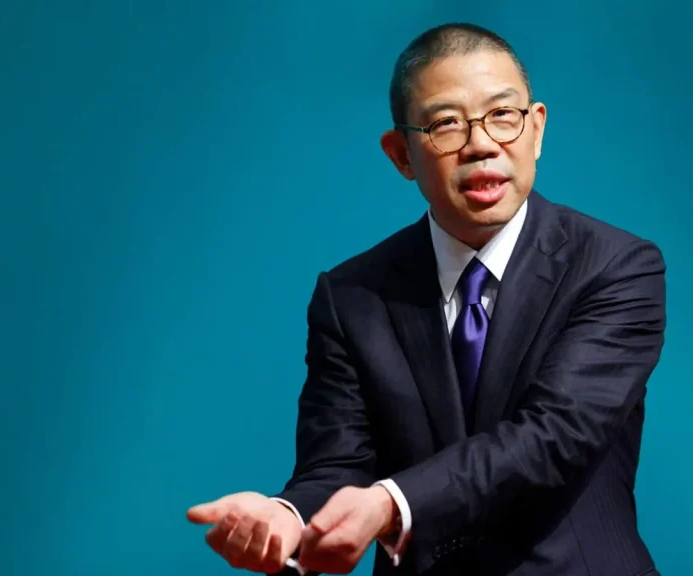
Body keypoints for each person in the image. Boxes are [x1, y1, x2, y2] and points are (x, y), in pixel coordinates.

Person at [187, 22, 667, 576]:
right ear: (401, 155)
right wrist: (288, 517)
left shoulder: (615, 266)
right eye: (446, 124)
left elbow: (554, 434)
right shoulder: (351, 297)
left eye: (502, 115)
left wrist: (390, 503)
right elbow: (338, 465)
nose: (481, 144)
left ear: (536, 129)